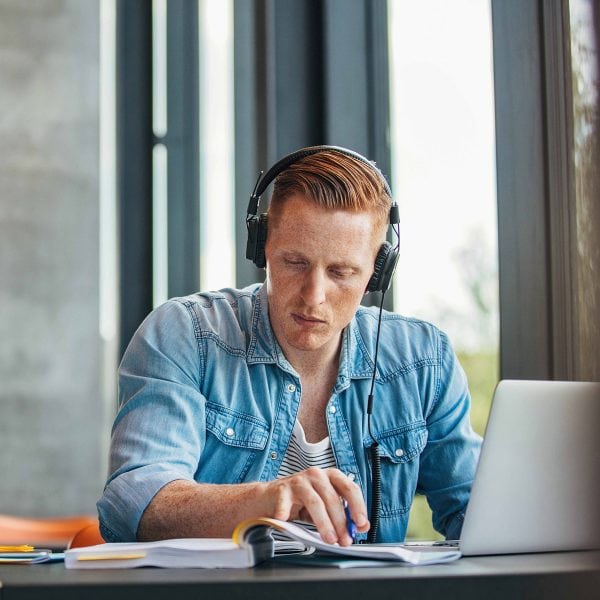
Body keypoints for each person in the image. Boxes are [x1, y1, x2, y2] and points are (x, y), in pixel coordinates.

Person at [97, 146, 481, 546]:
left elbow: (477, 509)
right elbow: (134, 505)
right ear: (261, 247)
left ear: (376, 272)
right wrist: (266, 501)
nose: (314, 295)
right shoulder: (186, 335)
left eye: (342, 272)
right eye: (295, 262)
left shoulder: (423, 361)